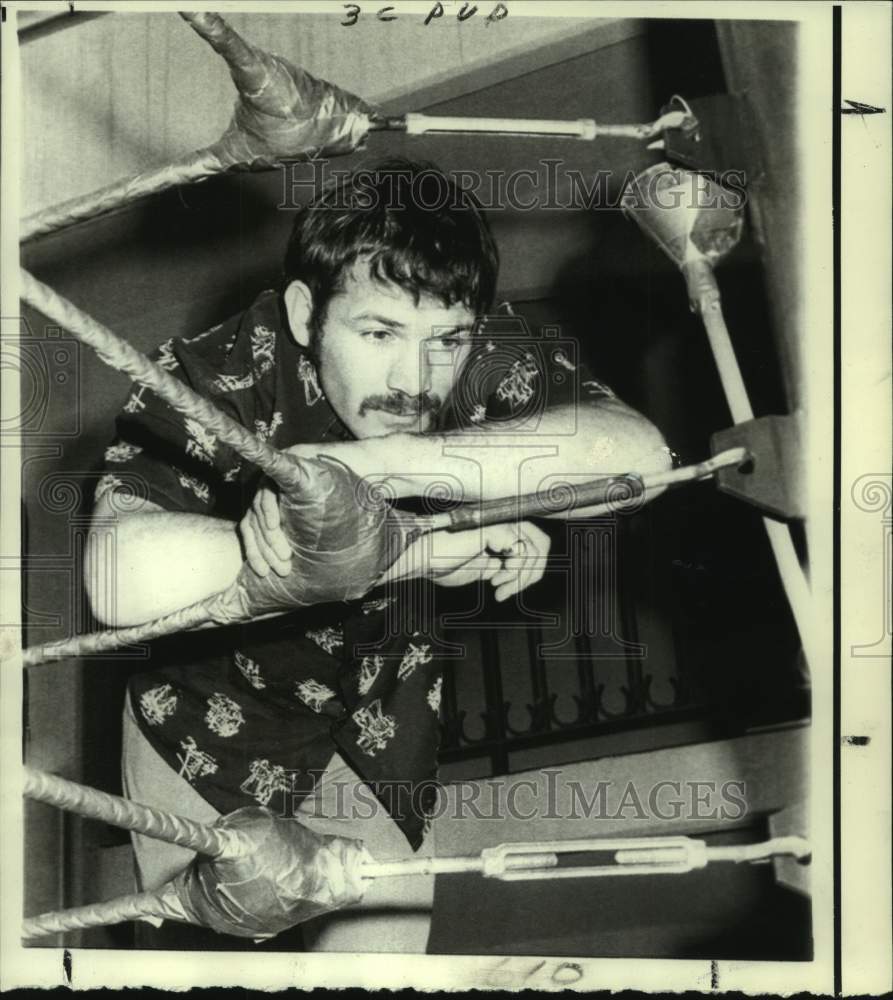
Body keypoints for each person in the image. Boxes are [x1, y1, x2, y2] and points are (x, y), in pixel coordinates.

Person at [86, 158, 672, 952]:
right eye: (378, 332)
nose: (414, 378)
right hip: (197, 729)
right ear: (305, 313)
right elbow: (117, 582)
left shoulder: (481, 352)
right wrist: (409, 548)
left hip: (377, 722)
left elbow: (641, 459)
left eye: (445, 341)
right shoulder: (212, 370)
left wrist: (364, 473)